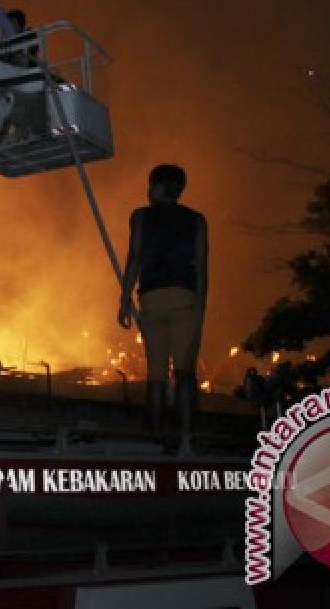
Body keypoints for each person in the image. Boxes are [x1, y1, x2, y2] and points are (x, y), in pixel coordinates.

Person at [117, 164, 208, 457]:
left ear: (157, 187)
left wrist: (124, 299)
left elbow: (134, 258)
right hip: (185, 299)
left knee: (156, 374)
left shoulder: (140, 217)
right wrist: (200, 308)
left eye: (151, 185)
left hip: (152, 299)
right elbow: (202, 268)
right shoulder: (197, 221)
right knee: (184, 373)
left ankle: (156, 440)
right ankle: (186, 439)